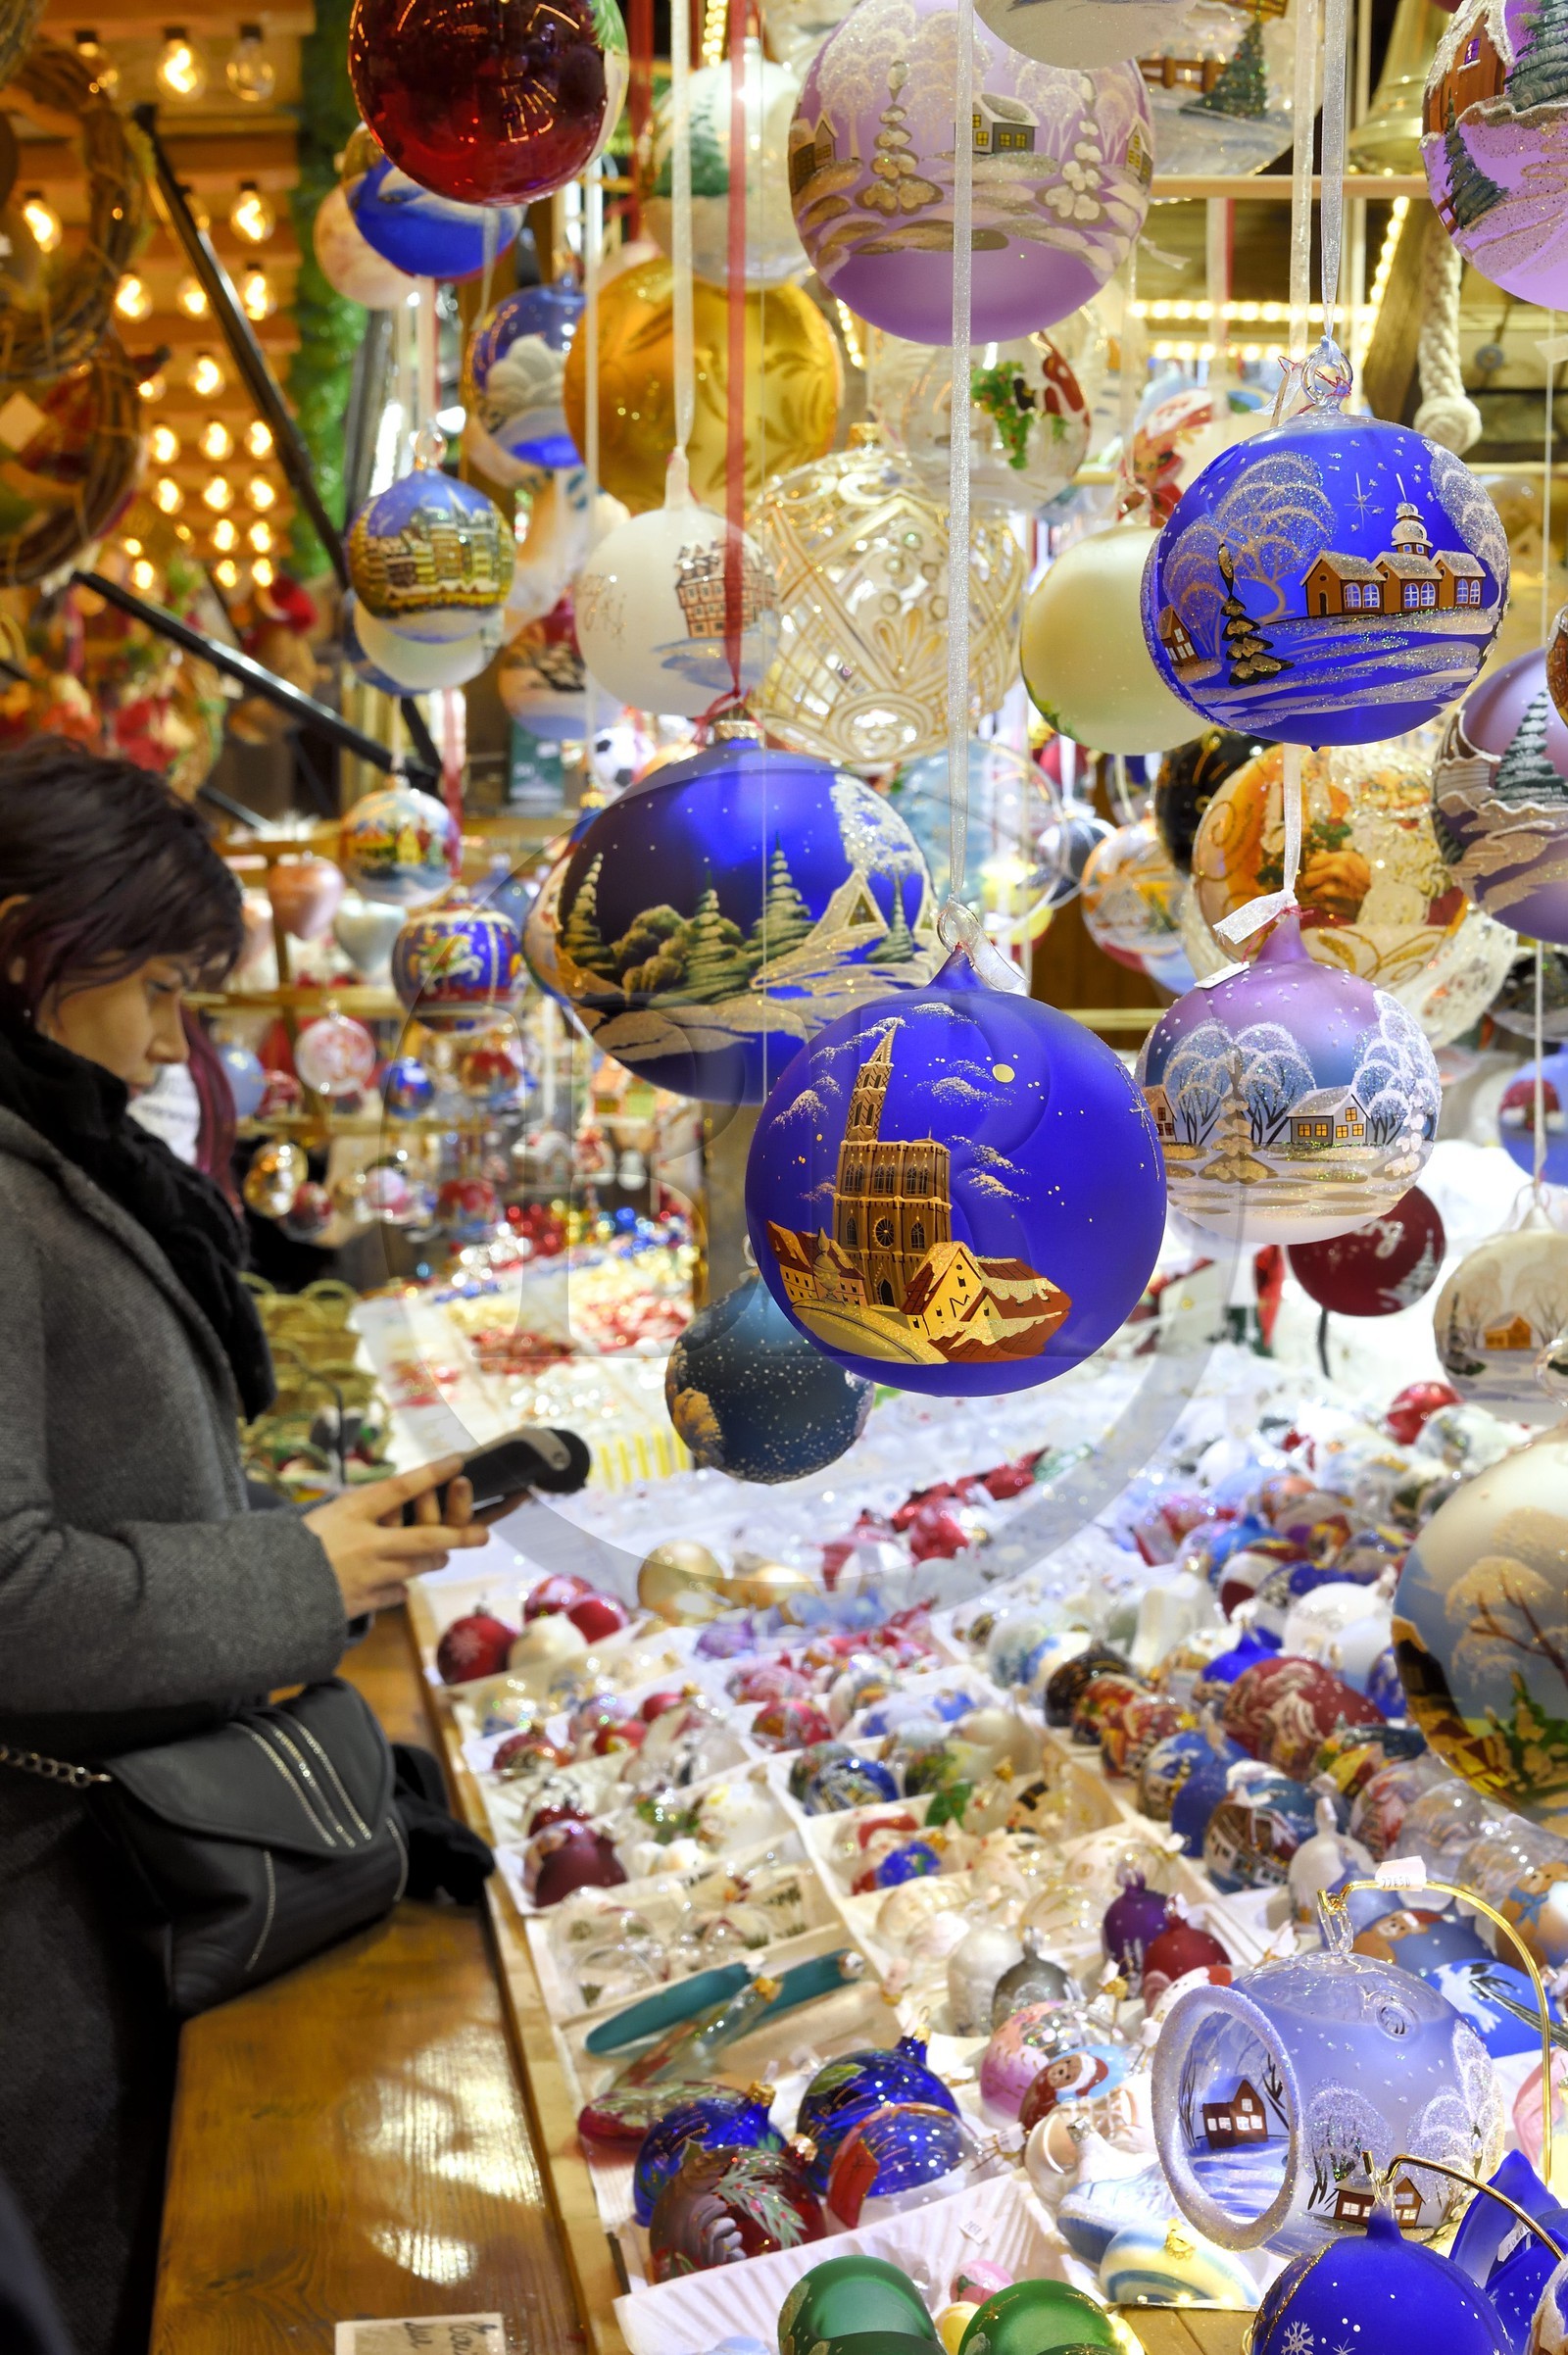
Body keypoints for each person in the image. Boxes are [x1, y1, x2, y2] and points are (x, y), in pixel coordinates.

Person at [0, 739, 488, 2355]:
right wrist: (301, 1575)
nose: (168, 1039)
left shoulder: (54, 1158)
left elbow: (101, 1489)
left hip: (120, 1864)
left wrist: (307, 1538)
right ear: (23, 948)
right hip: (48, 1911)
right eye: (149, 986)